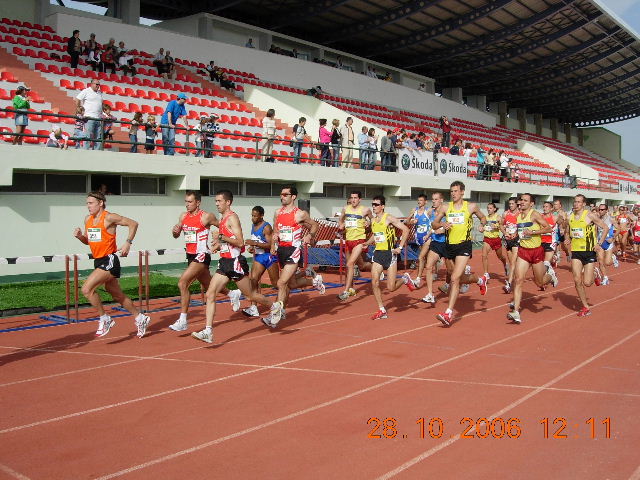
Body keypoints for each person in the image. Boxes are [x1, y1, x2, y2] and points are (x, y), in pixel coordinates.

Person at [191, 191, 273, 344]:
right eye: (215, 201)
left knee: (251, 295)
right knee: (210, 294)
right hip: (224, 262)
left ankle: (275, 308)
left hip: (235, 263)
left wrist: (221, 238)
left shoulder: (232, 218)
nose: (216, 203)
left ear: (228, 202)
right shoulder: (222, 219)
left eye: (219, 201)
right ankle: (208, 331)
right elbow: (229, 241)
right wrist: (217, 245)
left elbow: (240, 242)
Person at [73, 191, 151, 338]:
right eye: (87, 203)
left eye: (90, 203)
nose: (87, 206)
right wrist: (80, 237)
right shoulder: (88, 219)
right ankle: (140, 318)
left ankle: (105, 318)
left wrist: (128, 243)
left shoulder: (109, 217)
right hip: (98, 261)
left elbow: (133, 224)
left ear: (100, 203)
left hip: (109, 260)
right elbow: (88, 241)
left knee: (86, 289)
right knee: (117, 294)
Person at [168, 191, 242, 331]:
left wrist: (218, 241)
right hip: (190, 255)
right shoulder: (183, 216)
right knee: (209, 285)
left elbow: (223, 226)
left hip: (202, 255)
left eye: (190, 202)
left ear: (198, 202)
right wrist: (175, 231)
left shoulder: (206, 216)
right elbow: (176, 235)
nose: (187, 204)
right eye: (186, 201)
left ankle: (183, 319)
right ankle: (233, 294)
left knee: (182, 283)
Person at [261, 186, 325, 328]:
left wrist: (309, 235)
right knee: (291, 284)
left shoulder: (300, 214)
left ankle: (275, 315)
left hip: (294, 250)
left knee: (281, 283)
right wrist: (273, 243)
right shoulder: (277, 213)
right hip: (281, 250)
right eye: (281, 194)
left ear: (293, 197)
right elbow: (275, 230)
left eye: (285, 194)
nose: (282, 196)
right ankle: (315, 282)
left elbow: (314, 225)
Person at [431, 181, 488, 326]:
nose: (453, 194)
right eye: (451, 191)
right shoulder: (445, 207)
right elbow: (434, 223)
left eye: (456, 191)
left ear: (462, 192)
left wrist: (482, 224)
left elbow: (483, 217)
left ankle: (448, 313)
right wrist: (442, 224)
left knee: (455, 279)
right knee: (458, 277)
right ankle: (480, 280)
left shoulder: (471, 206)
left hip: (464, 245)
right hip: (449, 245)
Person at [506, 194, 559, 324]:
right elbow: (521, 231)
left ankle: (550, 277)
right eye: (521, 200)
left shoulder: (534, 214)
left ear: (531, 204)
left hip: (536, 252)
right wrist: (513, 235)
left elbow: (548, 228)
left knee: (539, 282)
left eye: (525, 200)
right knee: (518, 280)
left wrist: (533, 232)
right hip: (523, 251)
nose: (522, 202)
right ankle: (516, 312)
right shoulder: (518, 216)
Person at [366, 195, 414, 320]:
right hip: (378, 254)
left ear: (382, 206)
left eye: (376, 205)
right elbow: (375, 235)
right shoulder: (373, 221)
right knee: (374, 281)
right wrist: (367, 243)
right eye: (373, 204)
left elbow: (406, 230)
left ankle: (404, 279)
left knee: (391, 288)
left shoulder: (389, 218)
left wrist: (400, 247)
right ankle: (381, 309)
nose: (374, 207)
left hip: (390, 253)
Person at [565, 194, 608, 317]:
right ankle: (585, 307)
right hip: (576, 251)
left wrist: (599, 243)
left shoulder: (590, 215)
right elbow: (567, 231)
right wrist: (567, 238)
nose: (576, 204)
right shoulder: (570, 217)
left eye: (578, 202)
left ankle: (595, 273)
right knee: (577, 280)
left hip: (589, 251)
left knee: (587, 283)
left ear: (584, 204)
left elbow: (604, 228)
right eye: (575, 202)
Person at [242, 206, 280, 317]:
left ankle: (287, 289)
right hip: (259, 257)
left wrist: (255, 244)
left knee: (276, 283)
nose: (252, 218)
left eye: (255, 216)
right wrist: (252, 248)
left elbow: (270, 244)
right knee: (253, 280)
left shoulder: (266, 227)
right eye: (252, 215)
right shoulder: (253, 226)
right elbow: (257, 242)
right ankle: (254, 307)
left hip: (269, 257)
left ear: (261, 215)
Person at [337, 191, 373, 301]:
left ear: (360, 199)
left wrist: (369, 223)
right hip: (349, 240)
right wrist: (341, 224)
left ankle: (346, 291)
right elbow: (341, 219)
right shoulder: (345, 209)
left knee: (350, 263)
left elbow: (373, 220)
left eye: (355, 198)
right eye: (351, 197)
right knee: (359, 266)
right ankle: (375, 267)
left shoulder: (365, 210)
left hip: (359, 240)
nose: (353, 200)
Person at [420, 192, 447, 305]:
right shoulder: (432, 213)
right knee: (429, 266)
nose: (434, 201)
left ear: (441, 200)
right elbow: (433, 226)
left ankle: (464, 276)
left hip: (448, 243)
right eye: (433, 199)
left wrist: (441, 230)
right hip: (436, 242)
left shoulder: (446, 212)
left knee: (452, 271)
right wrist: (430, 233)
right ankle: (430, 294)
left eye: (436, 199)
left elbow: (448, 227)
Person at [406, 194, 433, 289]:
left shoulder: (429, 211)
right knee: (426, 257)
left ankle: (418, 279)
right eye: (418, 200)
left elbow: (434, 222)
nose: (419, 202)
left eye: (421, 200)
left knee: (421, 257)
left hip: (427, 237)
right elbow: (407, 222)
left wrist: (430, 233)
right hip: (419, 237)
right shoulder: (414, 210)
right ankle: (436, 266)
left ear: (425, 202)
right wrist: (411, 219)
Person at [481, 203, 507, 280]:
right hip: (487, 239)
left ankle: (505, 263)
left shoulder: (498, 217)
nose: (489, 209)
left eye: (490, 208)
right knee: (484, 255)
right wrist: (481, 228)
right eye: (488, 208)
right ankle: (486, 273)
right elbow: (482, 226)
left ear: (494, 209)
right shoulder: (485, 218)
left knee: (500, 256)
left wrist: (496, 226)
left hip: (496, 239)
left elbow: (503, 226)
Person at [75, 79, 103, 150]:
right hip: (89, 117)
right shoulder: (86, 91)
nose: (97, 86)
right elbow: (78, 99)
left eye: (98, 84)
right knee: (87, 136)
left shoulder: (99, 93)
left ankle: (97, 152)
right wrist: (79, 110)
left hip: (98, 118)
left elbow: (100, 105)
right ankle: (85, 151)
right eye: (96, 84)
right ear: (91, 84)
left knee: (98, 137)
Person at [595, 204, 618, 286]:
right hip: (600, 242)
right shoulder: (597, 219)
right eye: (599, 209)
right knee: (600, 261)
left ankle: (613, 257)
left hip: (608, 242)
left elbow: (618, 228)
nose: (600, 211)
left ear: (606, 210)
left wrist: (613, 237)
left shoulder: (611, 219)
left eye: (602, 209)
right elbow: (596, 231)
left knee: (607, 262)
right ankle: (605, 278)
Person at [501, 197, 520, 293]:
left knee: (513, 262)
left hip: (516, 239)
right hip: (507, 239)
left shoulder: (520, 214)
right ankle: (516, 277)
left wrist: (516, 233)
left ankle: (508, 284)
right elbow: (501, 225)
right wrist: (505, 232)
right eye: (510, 204)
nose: (511, 205)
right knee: (512, 262)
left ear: (517, 204)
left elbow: (522, 226)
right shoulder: (505, 213)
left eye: (513, 203)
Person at [540, 201, 559, 268]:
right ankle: (553, 259)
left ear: (551, 208)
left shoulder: (555, 217)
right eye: (544, 207)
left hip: (551, 242)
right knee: (540, 263)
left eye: (546, 207)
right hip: (540, 241)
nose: (545, 208)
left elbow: (563, 224)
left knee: (546, 263)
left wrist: (562, 228)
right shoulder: (540, 217)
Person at [553, 199, 570, 264]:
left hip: (561, 231)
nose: (555, 206)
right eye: (554, 204)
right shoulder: (552, 212)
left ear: (560, 205)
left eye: (556, 204)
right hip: (555, 231)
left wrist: (563, 229)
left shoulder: (563, 213)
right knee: (555, 244)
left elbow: (566, 223)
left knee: (563, 246)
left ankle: (567, 253)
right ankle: (557, 256)